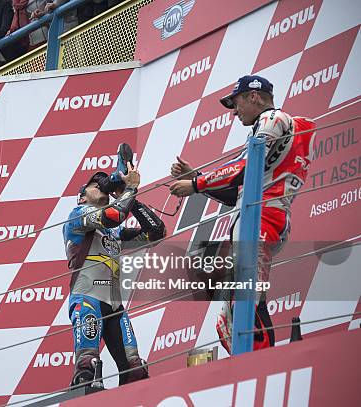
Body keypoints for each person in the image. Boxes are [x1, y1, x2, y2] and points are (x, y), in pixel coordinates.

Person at [168, 75, 316, 354]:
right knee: (227, 320)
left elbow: (244, 167)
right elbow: (237, 187)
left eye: (236, 103)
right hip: (256, 216)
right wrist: (196, 177)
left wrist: (196, 183)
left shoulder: (273, 119)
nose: (234, 112)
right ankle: (249, 368)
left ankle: (262, 368)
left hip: (265, 219)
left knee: (246, 300)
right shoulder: (268, 127)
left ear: (254, 97)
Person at [63, 160, 166, 386]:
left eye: (104, 184)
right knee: (87, 368)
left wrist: (130, 197)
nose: (101, 185)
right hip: (87, 298)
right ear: (82, 196)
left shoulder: (114, 231)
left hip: (116, 307)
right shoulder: (77, 214)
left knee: (135, 370)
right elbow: (113, 214)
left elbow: (156, 233)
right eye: (94, 184)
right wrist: (129, 189)